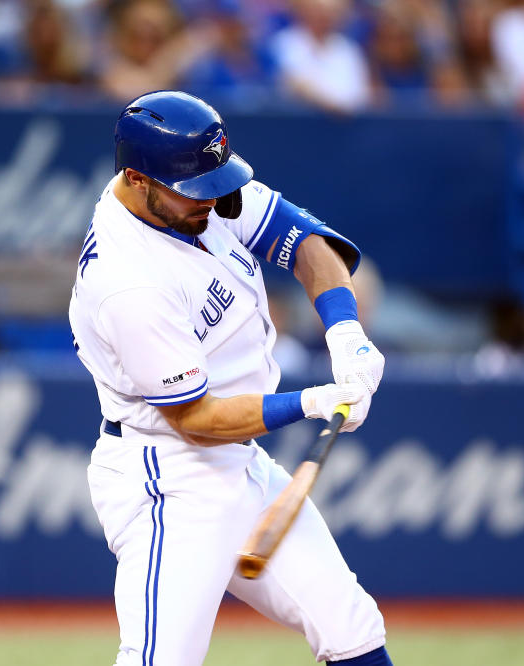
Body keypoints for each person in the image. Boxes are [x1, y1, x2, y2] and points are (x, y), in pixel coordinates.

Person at [67, 91, 391, 666]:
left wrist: (345, 331)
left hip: (240, 461)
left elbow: (309, 246)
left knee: (352, 629)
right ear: (137, 180)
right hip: (170, 477)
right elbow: (196, 421)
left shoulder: (198, 189)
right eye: (194, 192)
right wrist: (312, 401)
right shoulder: (127, 284)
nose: (212, 202)